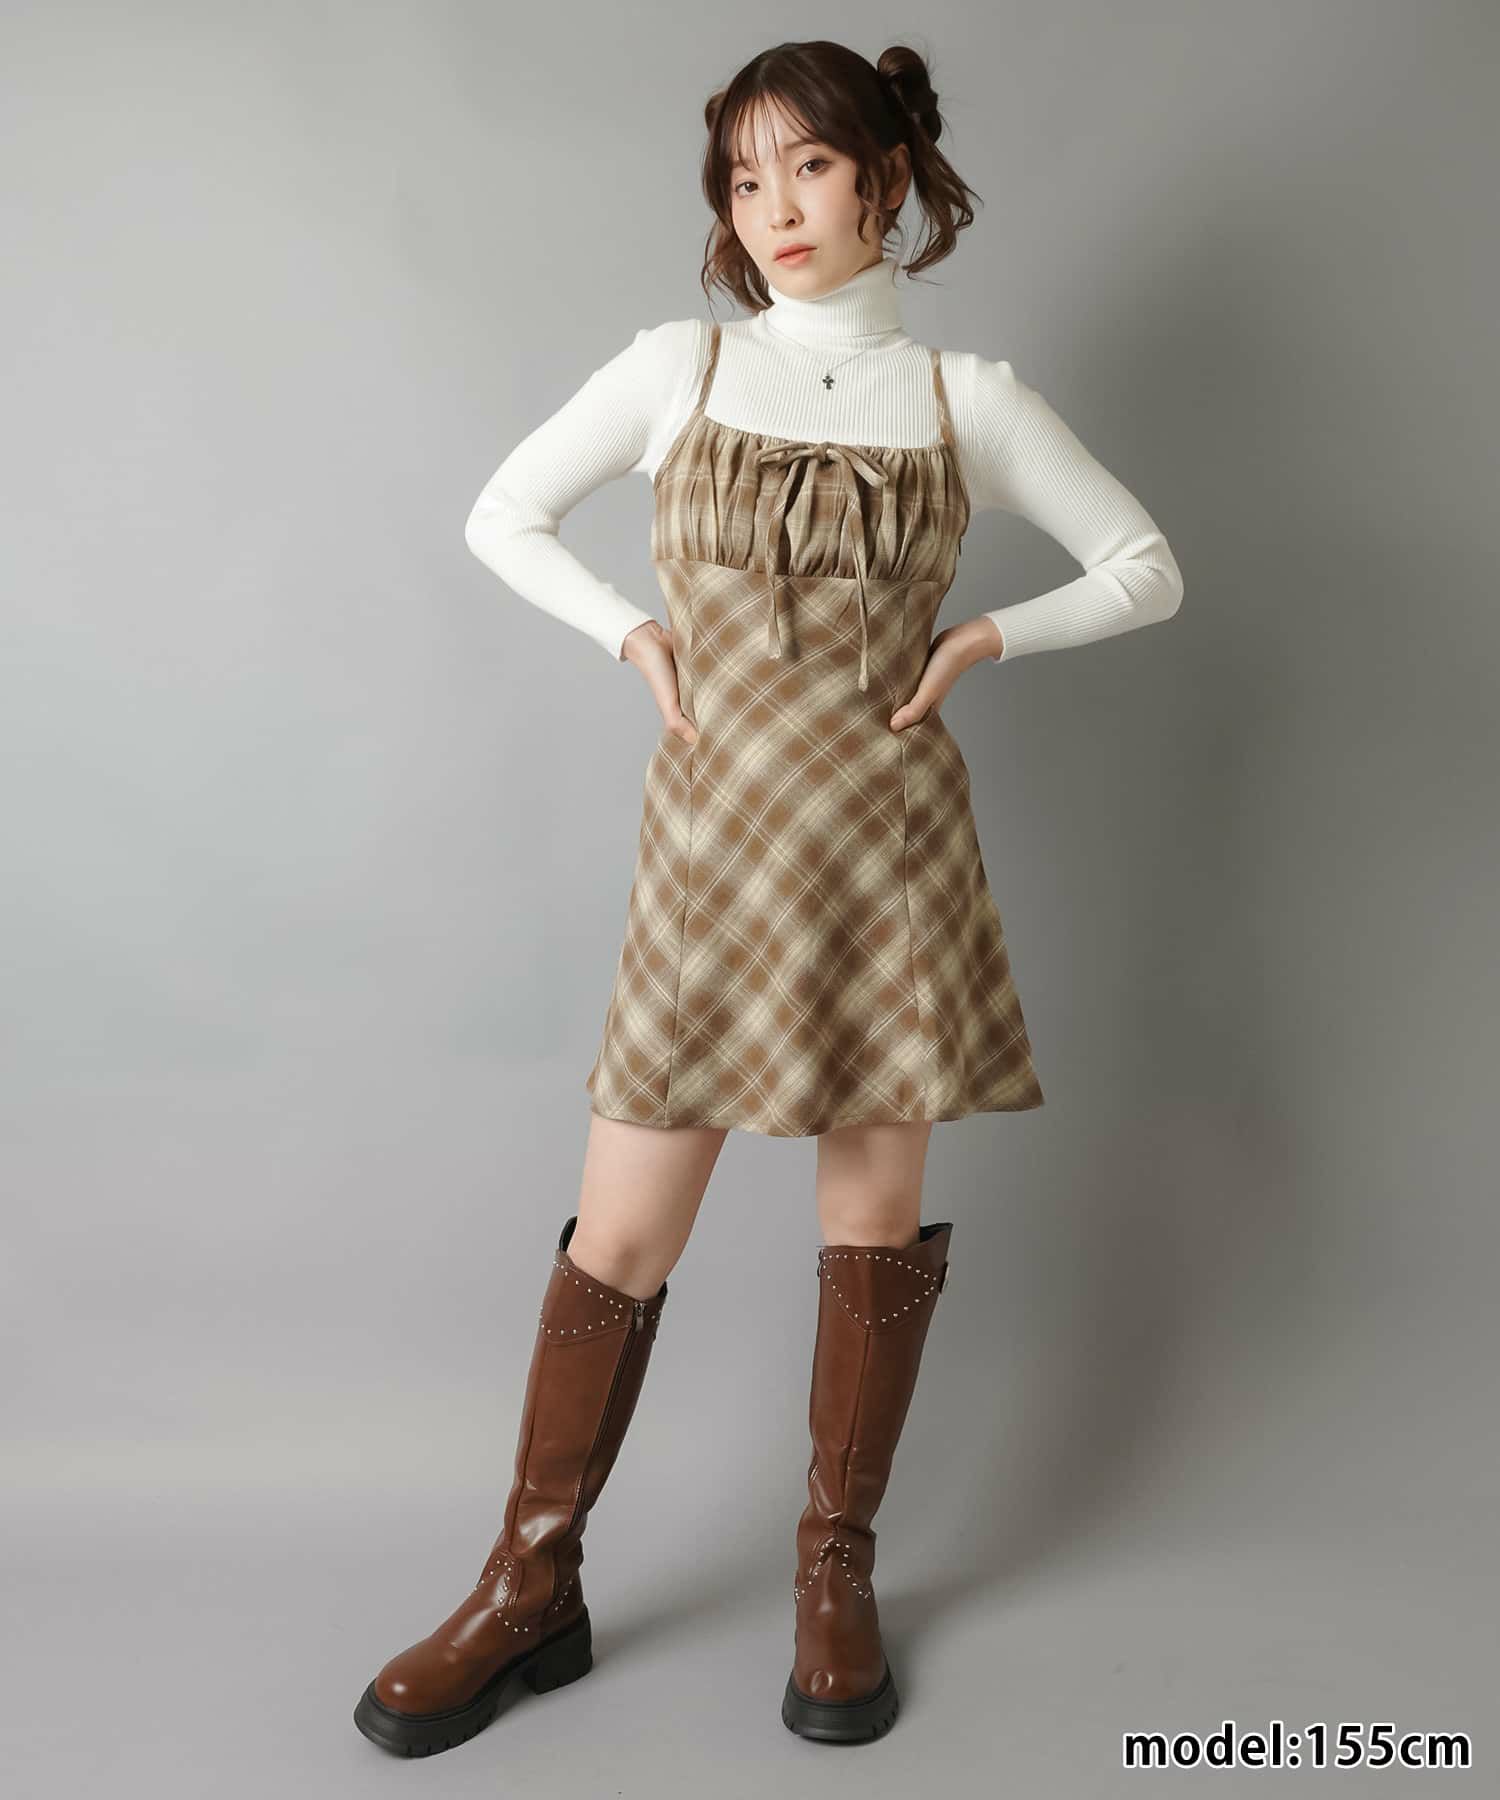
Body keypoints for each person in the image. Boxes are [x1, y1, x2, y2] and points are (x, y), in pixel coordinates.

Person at [353, 37, 1183, 1756]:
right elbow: (505, 515)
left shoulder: (965, 401)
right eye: (744, 178)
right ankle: (529, 1583)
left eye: (806, 164)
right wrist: (632, 634)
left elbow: (1145, 569)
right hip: (712, 859)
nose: (774, 207)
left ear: (889, 176)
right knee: (621, 1235)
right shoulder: (684, 365)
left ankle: (834, 1571)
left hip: (889, 861)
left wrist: (984, 635)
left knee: (868, 1230)